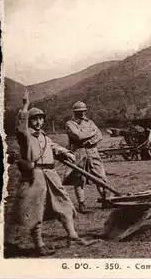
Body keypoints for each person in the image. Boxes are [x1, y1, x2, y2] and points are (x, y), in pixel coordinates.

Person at [8, 90, 96, 256]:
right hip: (35, 176)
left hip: (51, 174)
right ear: (30, 121)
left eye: (41, 118)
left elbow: (53, 146)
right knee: (36, 209)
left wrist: (66, 152)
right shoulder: (25, 136)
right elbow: (20, 126)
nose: (39, 122)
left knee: (63, 201)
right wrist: (25, 106)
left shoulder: (44, 136)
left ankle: (73, 235)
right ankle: (39, 244)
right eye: (35, 119)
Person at [63, 101, 109, 213]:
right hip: (79, 153)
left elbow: (99, 135)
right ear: (75, 112)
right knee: (79, 179)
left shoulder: (90, 122)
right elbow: (78, 136)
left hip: (93, 152)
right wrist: (91, 134)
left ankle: (105, 200)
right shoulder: (70, 123)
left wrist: (89, 140)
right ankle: (82, 204)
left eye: (84, 111)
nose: (82, 113)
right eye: (79, 112)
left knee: (101, 177)